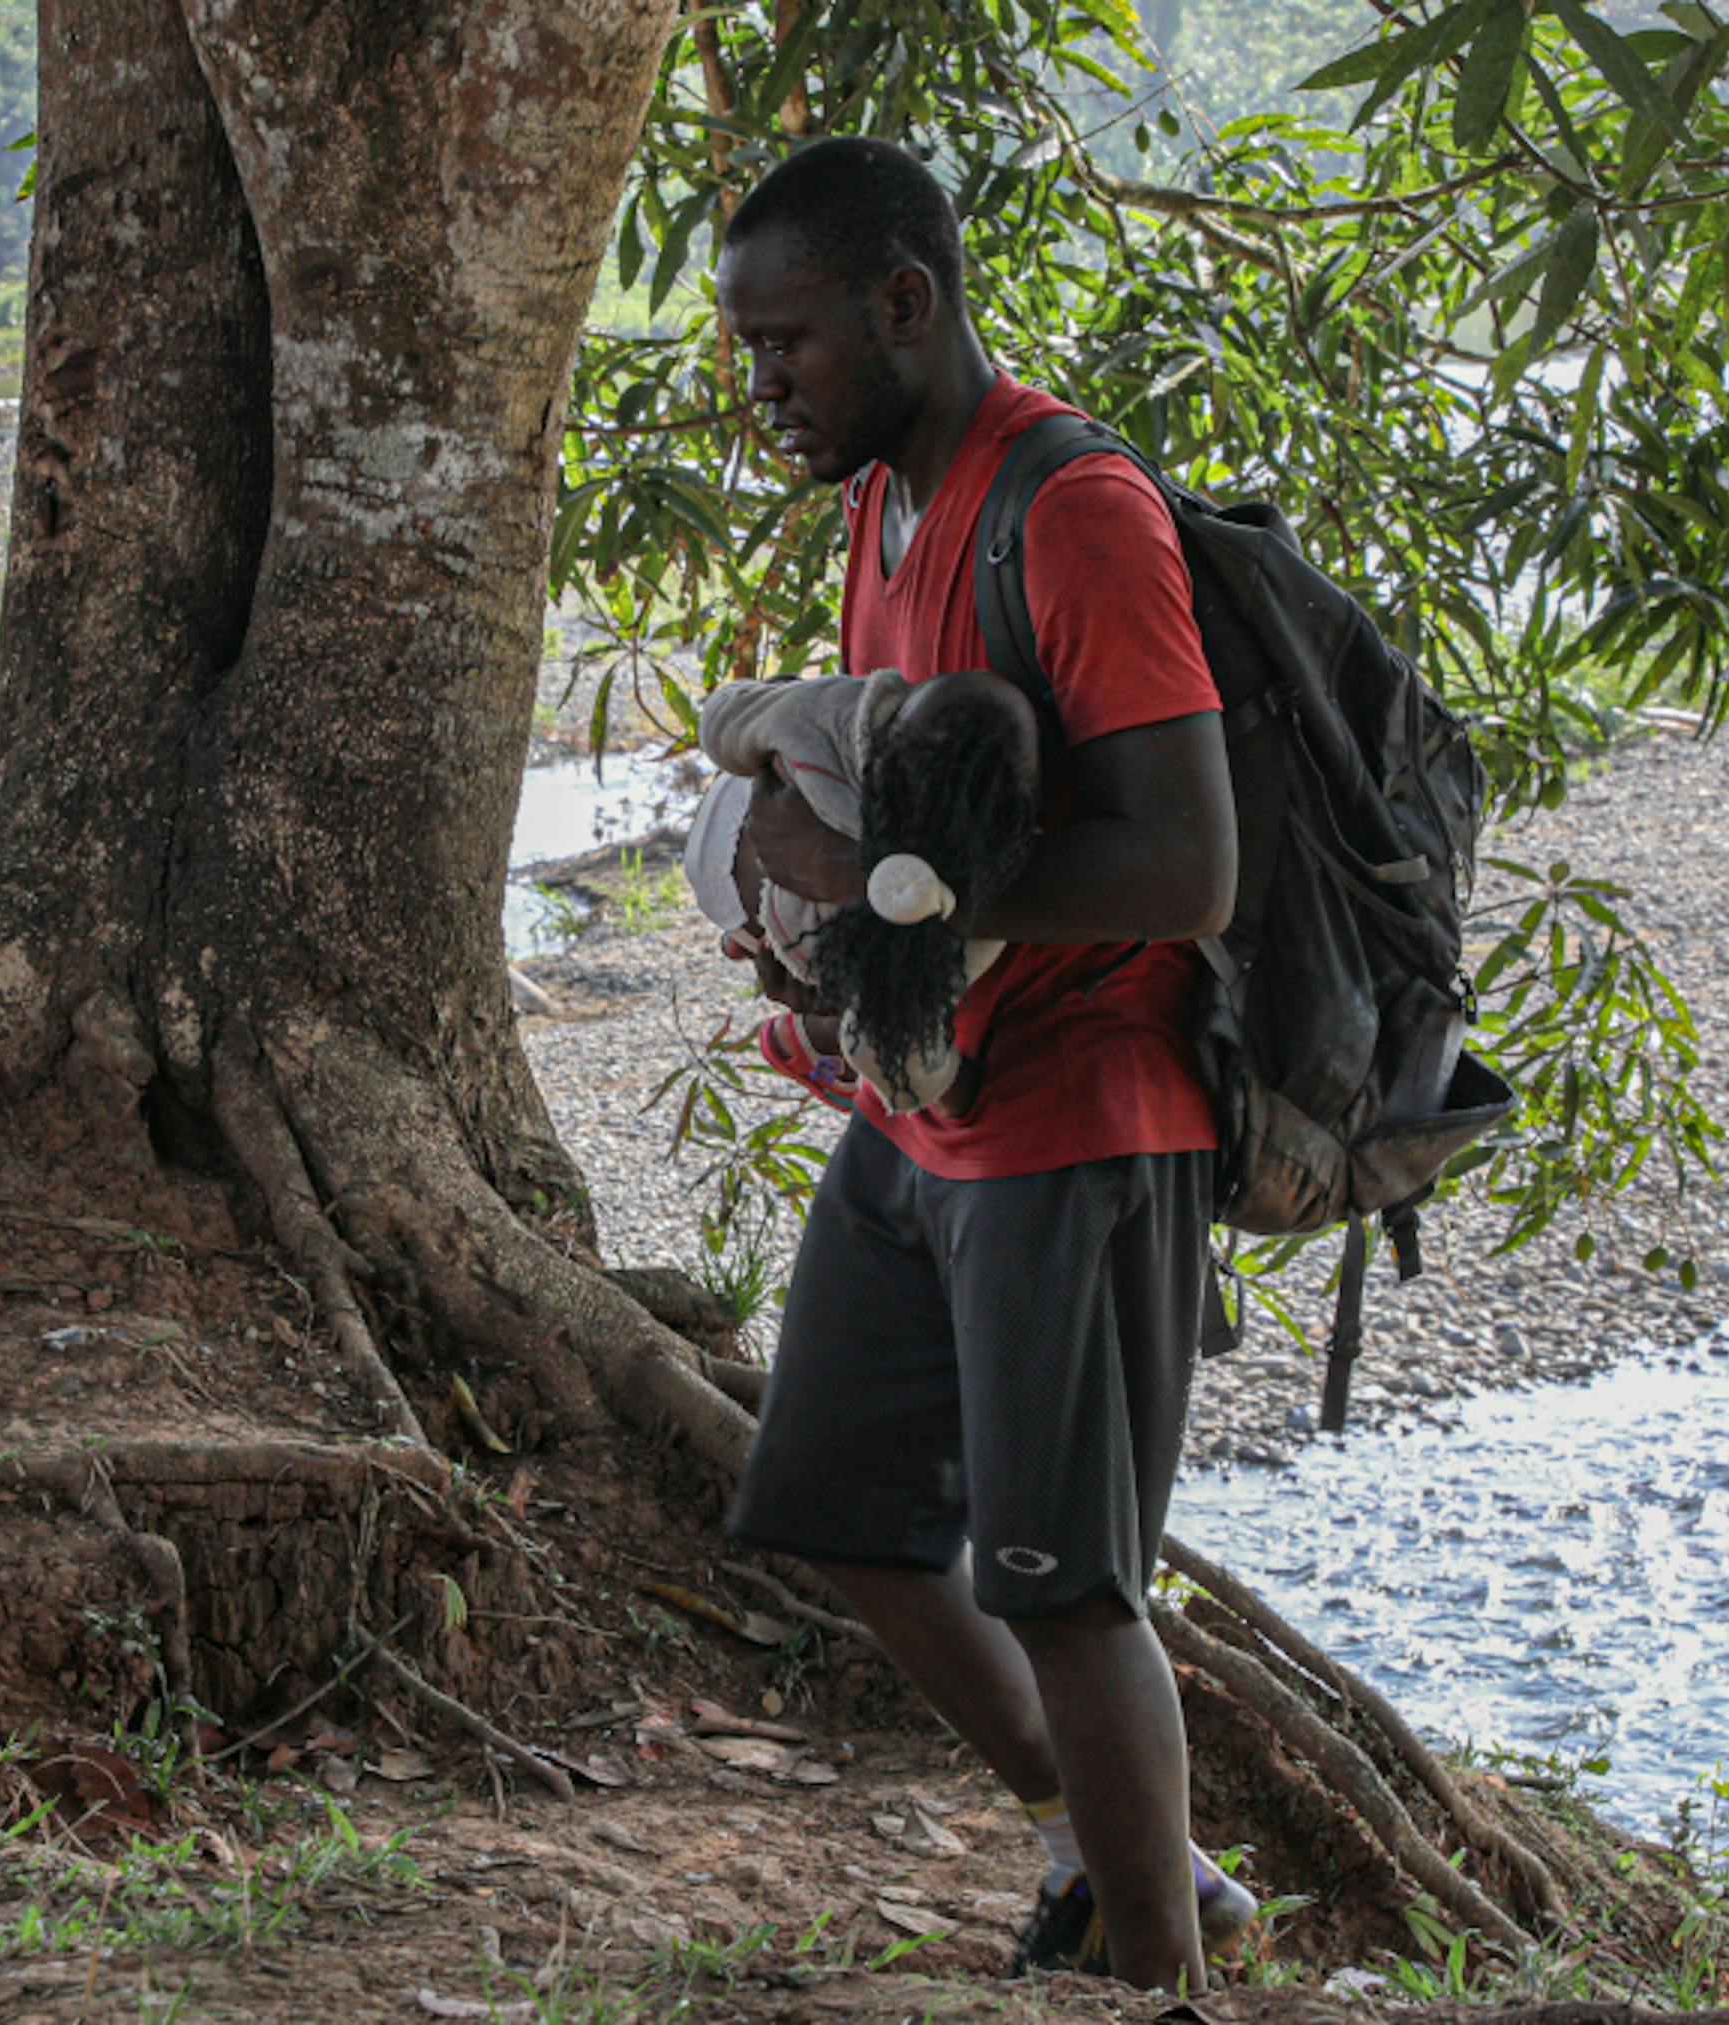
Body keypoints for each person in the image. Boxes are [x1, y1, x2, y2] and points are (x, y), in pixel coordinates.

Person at [709, 135, 1250, 1993]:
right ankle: (1109, 1850)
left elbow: (1186, 864)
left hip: (1082, 1124)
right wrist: (825, 929)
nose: (762, 386)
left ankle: (1154, 1976)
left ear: (905, 304)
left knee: (1069, 1585)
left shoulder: (1071, 507)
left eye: (787, 346)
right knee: (834, 1507)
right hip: (924, 1114)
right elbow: (928, 805)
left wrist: (874, 892)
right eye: (747, 350)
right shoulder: (890, 504)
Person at [681, 664, 1045, 1117]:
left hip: (798, 905)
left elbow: (728, 719)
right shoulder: (854, 724)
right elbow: (919, 1076)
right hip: (763, 841)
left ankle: (818, 1028)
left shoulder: (933, 925)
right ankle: (816, 1026)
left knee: (872, 1000)